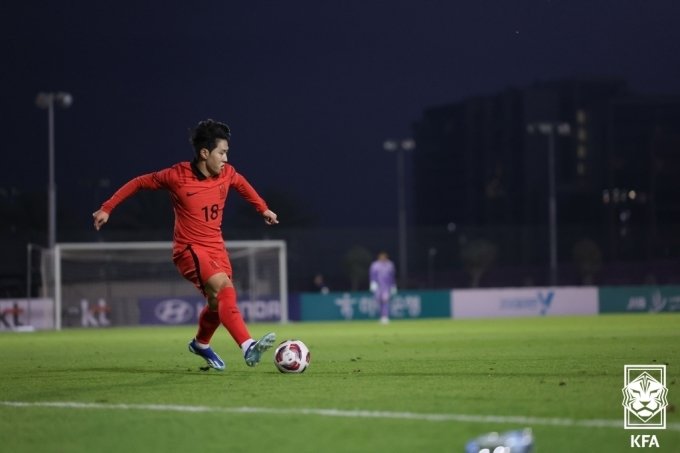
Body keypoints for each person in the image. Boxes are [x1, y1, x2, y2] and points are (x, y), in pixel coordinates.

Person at [92, 119, 278, 371]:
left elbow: (242, 184)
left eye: (227, 153)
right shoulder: (176, 176)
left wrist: (263, 209)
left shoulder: (227, 173)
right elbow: (139, 182)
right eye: (222, 153)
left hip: (216, 248)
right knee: (225, 289)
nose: (225, 159)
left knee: (217, 304)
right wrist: (107, 208)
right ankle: (248, 346)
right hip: (190, 250)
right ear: (205, 153)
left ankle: (201, 344)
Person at [369, 251, 396, 324]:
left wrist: (393, 285)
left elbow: (392, 276)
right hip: (378, 286)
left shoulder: (390, 265)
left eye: (384, 257)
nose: (383, 258)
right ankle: (381, 316)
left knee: (385, 301)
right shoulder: (375, 265)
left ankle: (385, 316)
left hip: (386, 287)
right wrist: (372, 283)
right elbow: (372, 274)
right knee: (379, 301)